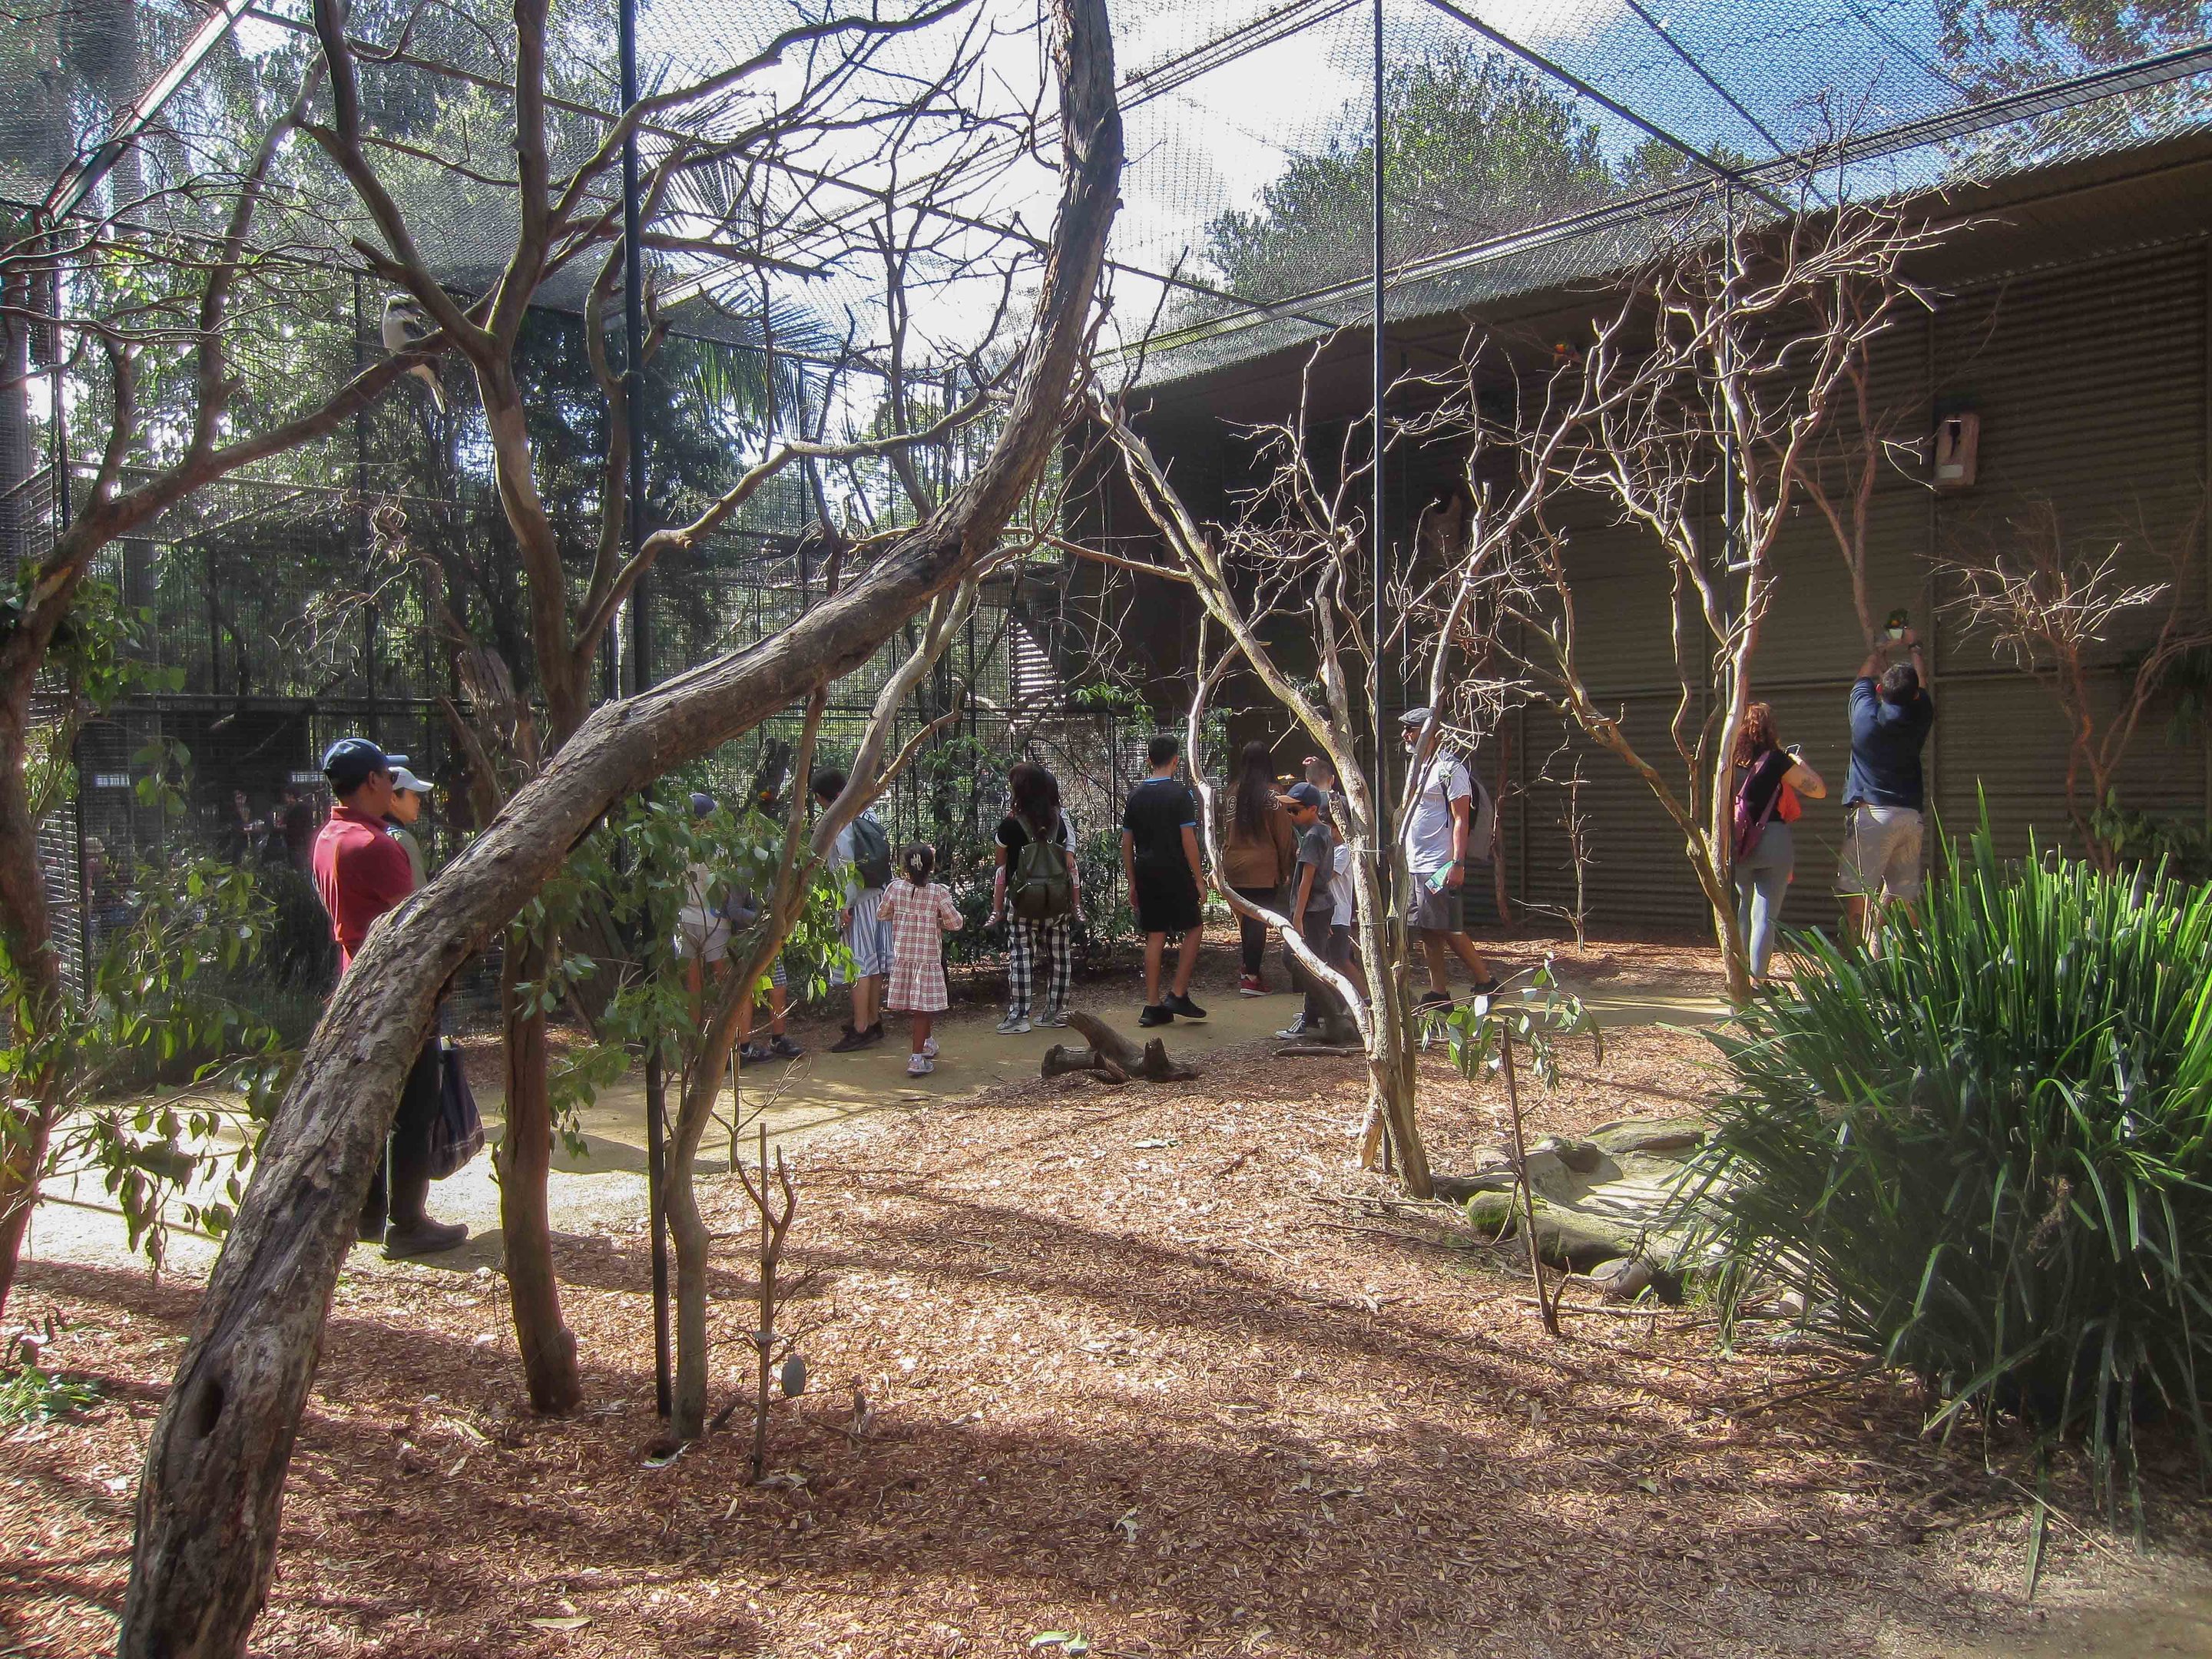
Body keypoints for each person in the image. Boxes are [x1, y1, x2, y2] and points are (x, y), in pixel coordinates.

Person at [311, 737, 465, 1257]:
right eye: (387, 775)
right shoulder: (376, 846)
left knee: (374, 1106)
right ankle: (407, 1222)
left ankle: (370, 1213)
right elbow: (417, 924)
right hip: (396, 993)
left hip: (354, 984)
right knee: (415, 1106)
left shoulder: (329, 837)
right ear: (375, 781)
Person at [1837, 625, 1936, 942]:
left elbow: (1861, 678)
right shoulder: (1920, 716)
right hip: (1909, 817)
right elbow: (1921, 682)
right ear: (1916, 696)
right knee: (1902, 892)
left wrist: (1881, 648)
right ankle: (1905, 960)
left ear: (1880, 690)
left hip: (1872, 816)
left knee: (1856, 890)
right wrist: (1914, 646)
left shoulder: (1865, 717)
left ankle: (1854, 961)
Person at [1399, 708, 1498, 1008]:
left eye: (1412, 729)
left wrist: (1457, 863)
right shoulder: (1419, 767)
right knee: (1429, 928)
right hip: (1416, 863)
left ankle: (1487, 982)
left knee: (1447, 927)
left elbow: (1460, 819)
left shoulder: (1450, 769)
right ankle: (1439, 993)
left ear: (1433, 733)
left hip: (1439, 865)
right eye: (1405, 729)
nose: (1406, 735)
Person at [1730, 704, 1827, 984]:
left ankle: (1738, 974)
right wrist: (1797, 761)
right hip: (1773, 840)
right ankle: (1757, 981)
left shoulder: (1728, 762)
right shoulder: (1777, 760)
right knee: (1765, 914)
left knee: (1743, 906)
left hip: (1738, 843)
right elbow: (1818, 790)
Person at [1121, 733, 1209, 1028]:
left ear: (1148, 761)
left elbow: (1126, 843)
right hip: (1174, 871)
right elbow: (1189, 840)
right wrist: (1199, 879)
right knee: (1194, 927)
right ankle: (1178, 992)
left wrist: (1132, 881)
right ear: (1176, 761)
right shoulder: (1180, 795)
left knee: (1155, 935)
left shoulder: (1135, 795)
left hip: (1146, 871)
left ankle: (1152, 1004)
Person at [988, 760, 1079, 1034]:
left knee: (1021, 956)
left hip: (1022, 902)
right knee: (1060, 956)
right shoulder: (1060, 823)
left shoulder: (1010, 825)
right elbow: (1068, 860)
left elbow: (1000, 865)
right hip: (1056, 901)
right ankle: (1055, 1013)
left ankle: (1019, 1016)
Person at [813, 769, 896, 1052]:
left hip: (857, 901)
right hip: (878, 896)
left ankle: (861, 1028)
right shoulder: (866, 811)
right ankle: (873, 1020)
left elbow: (848, 869)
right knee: (872, 963)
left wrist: (844, 906)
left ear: (822, 798)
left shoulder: (841, 820)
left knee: (858, 964)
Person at [879, 842, 963, 1076]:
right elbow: (955, 923)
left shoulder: (895, 889)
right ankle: (916, 1058)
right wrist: (937, 919)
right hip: (927, 959)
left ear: (904, 867)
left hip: (904, 957)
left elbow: (882, 914)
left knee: (921, 1007)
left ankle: (926, 1043)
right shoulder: (938, 893)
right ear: (931, 867)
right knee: (922, 1009)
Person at [1221, 740, 1296, 997]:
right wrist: (1286, 867)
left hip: (1234, 865)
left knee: (1246, 919)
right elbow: (1283, 834)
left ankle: (1247, 969)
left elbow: (1225, 829)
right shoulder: (1275, 793)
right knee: (1257, 922)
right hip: (1262, 866)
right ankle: (1251, 978)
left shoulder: (1233, 791)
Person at [1274, 782, 1345, 1041]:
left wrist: (1298, 917)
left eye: (1295, 811)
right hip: (1320, 909)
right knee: (1311, 961)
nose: (1290, 815)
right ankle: (1315, 1014)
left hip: (1313, 909)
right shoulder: (1322, 831)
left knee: (1298, 961)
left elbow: (1307, 879)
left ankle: (1313, 1018)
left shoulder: (1315, 836)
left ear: (1312, 809)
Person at [674, 792, 732, 1009]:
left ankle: (692, 1042)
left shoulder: (676, 848)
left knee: (692, 985)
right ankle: (731, 1038)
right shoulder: (721, 848)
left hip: (684, 918)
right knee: (724, 979)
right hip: (715, 919)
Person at [385, 764, 433, 889]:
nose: (418, 800)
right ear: (393, 798)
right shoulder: (402, 839)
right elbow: (419, 896)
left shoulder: (373, 831)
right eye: (413, 794)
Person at [280, 783, 319, 873]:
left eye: (286, 796)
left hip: (298, 844)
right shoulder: (293, 808)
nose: (285, 799)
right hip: (296, 843)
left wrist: (283, 827)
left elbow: (297, 826)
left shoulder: (299, 808)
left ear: (291, 796)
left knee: (299, 868)